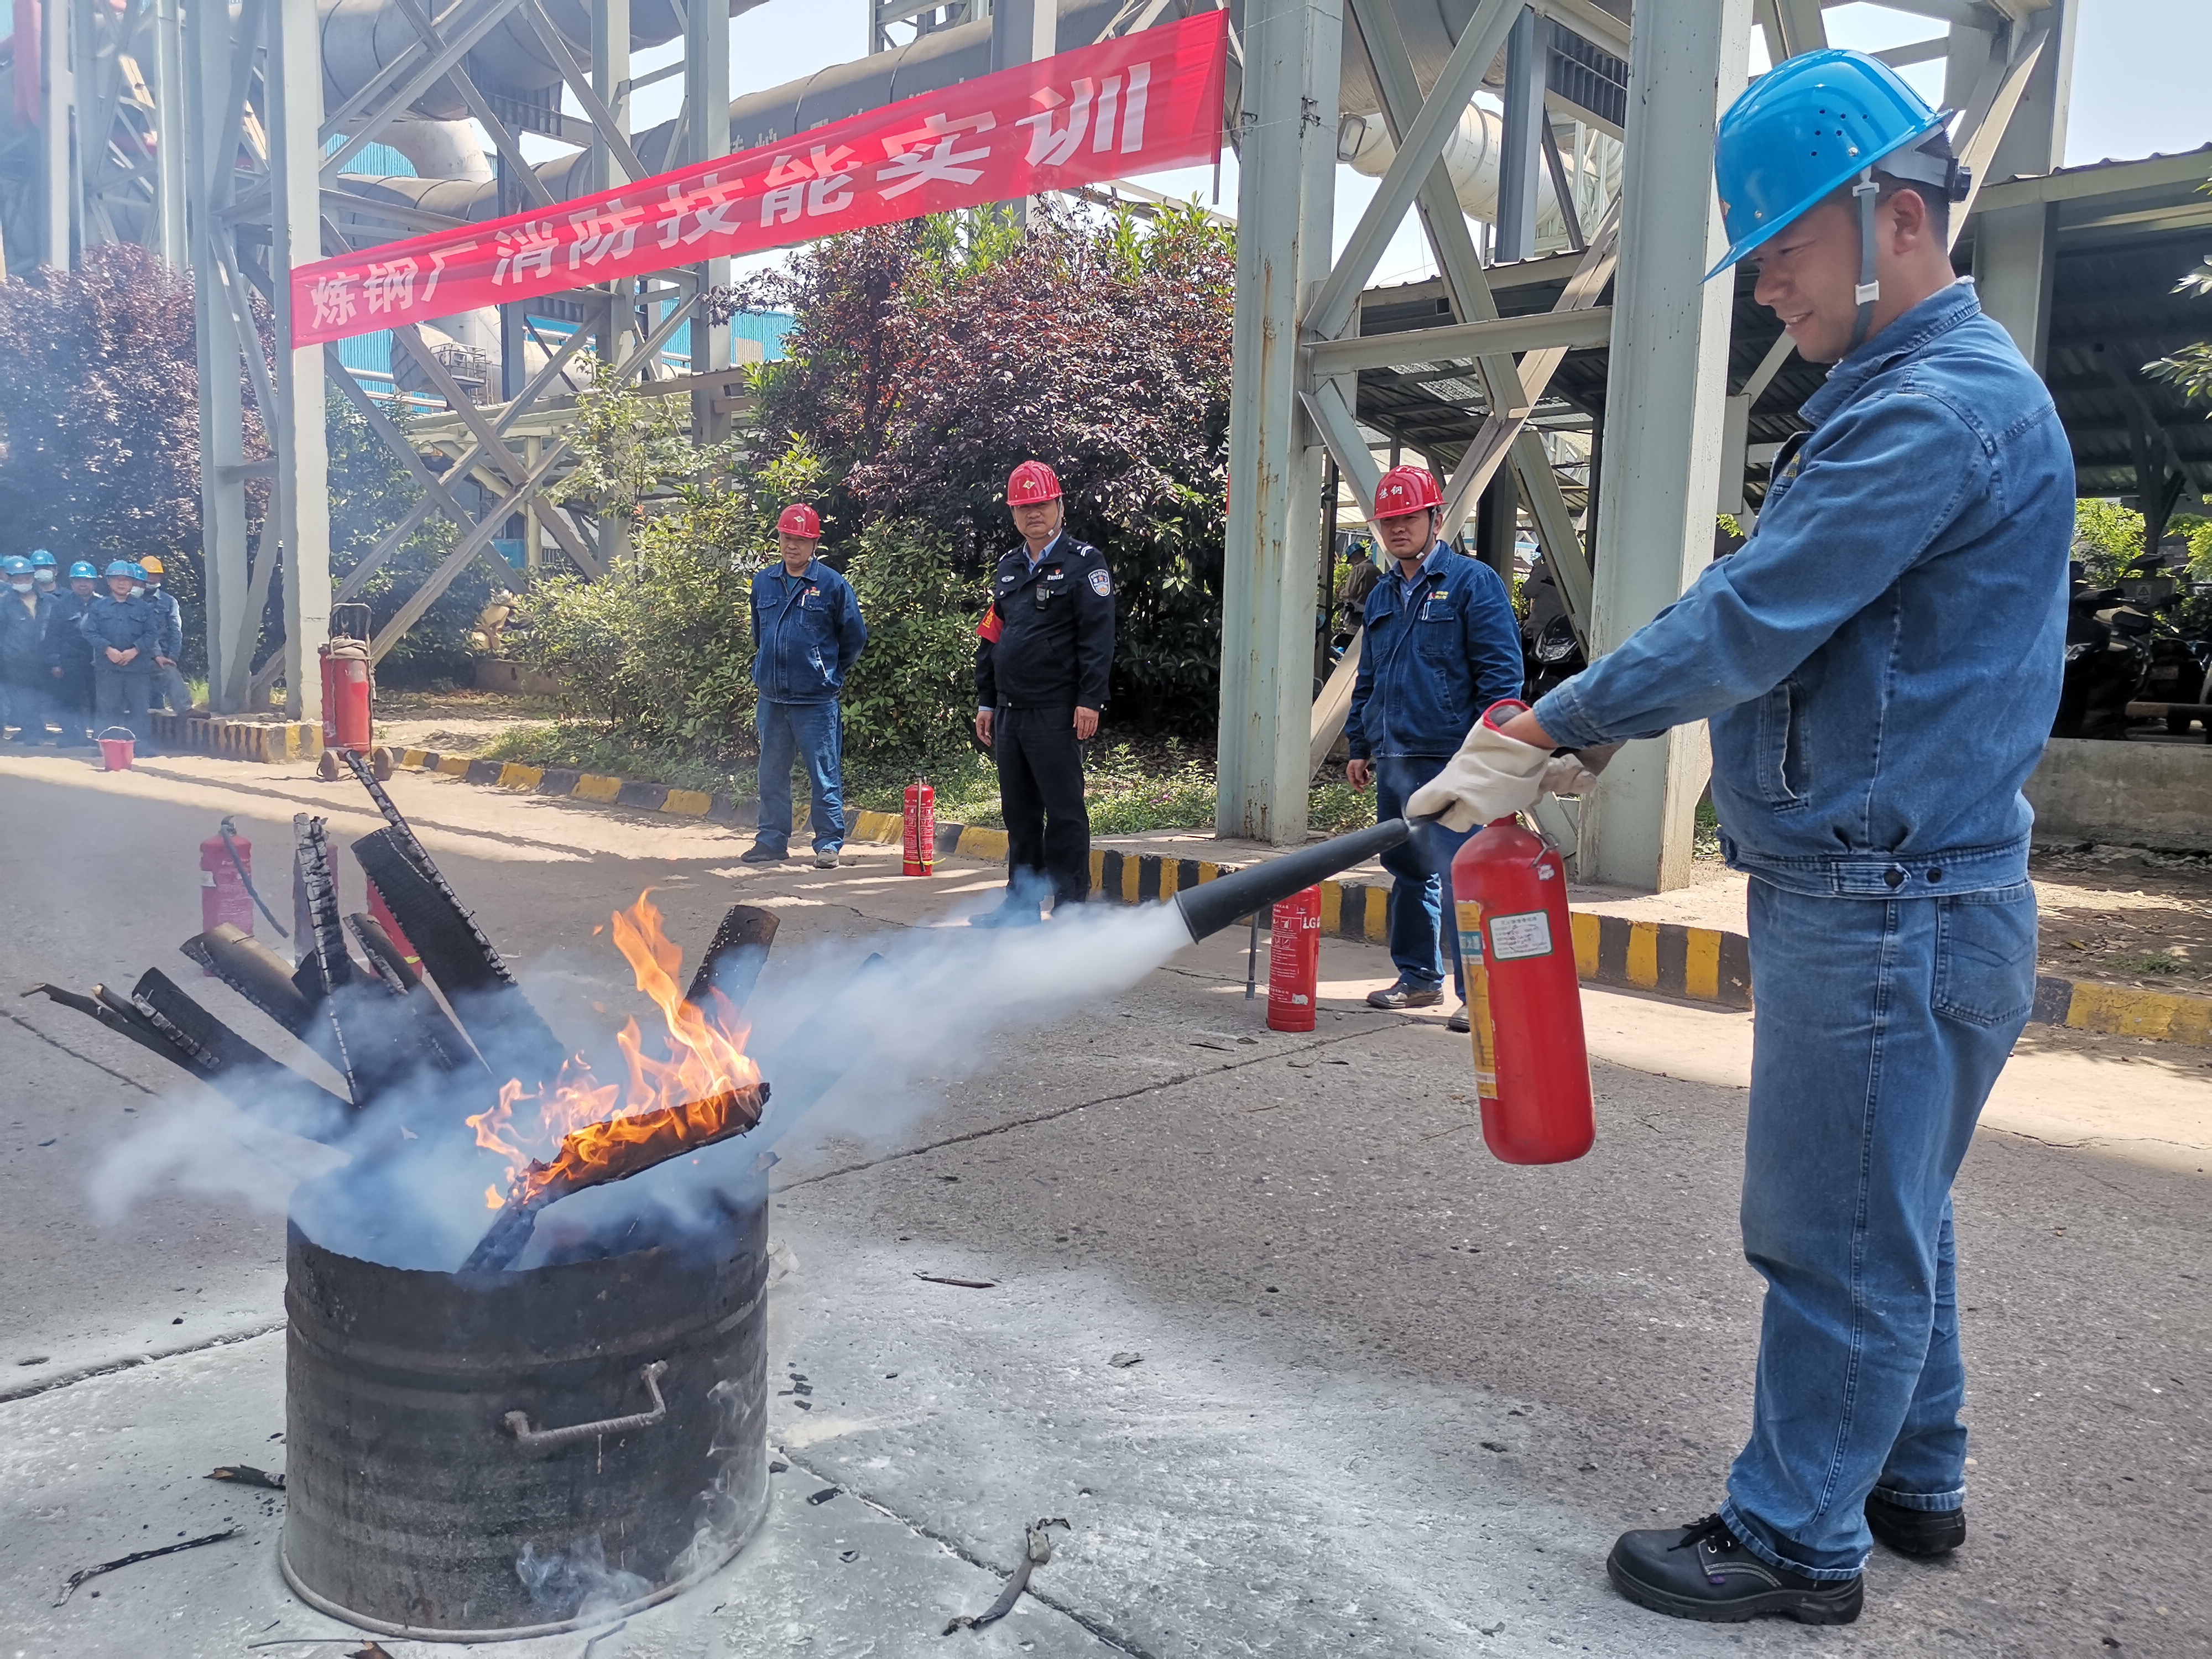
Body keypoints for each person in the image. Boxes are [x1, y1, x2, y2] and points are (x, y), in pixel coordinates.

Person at [1408, 50, 2069, 1628]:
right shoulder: (1920, 399)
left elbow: (1755, 615)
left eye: (1778, 246)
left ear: (1888, 217)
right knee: (1893, 1205)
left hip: (1889, 899)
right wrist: (1581, 728)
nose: (1765, 284)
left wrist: (1553, 724)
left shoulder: (1934, 413)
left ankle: (1793, 1539)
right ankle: (1913, 1475)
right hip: (1918, 890)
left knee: (1834, 1232)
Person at [1343, 465, 1524, 1031]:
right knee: (1408, 870)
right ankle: (1418, 979)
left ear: (1434, 518)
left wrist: (1487, 754)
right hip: (1396, 757)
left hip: (1454, 758)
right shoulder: (1381, 596)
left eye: (1407, 517)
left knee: (1464, 876)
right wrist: (1358, 743)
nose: (1397, 529)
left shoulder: (1472, 583)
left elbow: (1501, 676)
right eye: (1388, 520)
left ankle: (1482, 995)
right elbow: (1367, 678)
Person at [971, 460, 1115, 927]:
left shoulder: (1084, 563)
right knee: (1020, 813)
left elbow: (1098, 636)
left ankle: (1071, 906)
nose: (1034, 513)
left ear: (1059, 505)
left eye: (1041, 504)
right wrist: (987, 700)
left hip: (1057, 710)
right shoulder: (1009, 567)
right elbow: (992, 637)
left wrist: (1090, 698)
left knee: (1065, 811)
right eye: (1024, 506)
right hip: (1011, 711)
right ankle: (1020, 905)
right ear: (1014, 514)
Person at [741, 504, 868, 870]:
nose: (792, 545)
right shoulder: (763, 582)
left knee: (823, 773)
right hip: (772, 699)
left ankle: (828, 844)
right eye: (786, 537)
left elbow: (854, 637)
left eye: (801, 539)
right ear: (779, 539)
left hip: (815, 700)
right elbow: (759, 634)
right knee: (771, 773)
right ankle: (771, 842)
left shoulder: (831, 584)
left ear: (814, 542)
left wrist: (827, 672)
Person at [81, 560, 165, 752]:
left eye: (126, 579)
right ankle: (105, 746)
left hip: (137, 669)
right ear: (109, 582)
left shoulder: (144, 608)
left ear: (133, 582)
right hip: (108, 668)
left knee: (139, 709)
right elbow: (90, 632)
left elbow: (152, 633)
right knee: (107, 709)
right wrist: (108, 650)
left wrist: (135, 650)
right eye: (117, 579)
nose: (122, 583)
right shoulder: (98, 607)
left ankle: (140, 746)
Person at [0, 556, 55, 742]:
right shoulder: (4, 604)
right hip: (14, 661)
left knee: (41, 697)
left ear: (33, 577)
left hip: (44, 659)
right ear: (10, 579)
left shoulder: (48, 602)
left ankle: (37, 728)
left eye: (26, 578)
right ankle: (32, 731)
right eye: (17, 579)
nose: (22, 582)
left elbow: (57, 631)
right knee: (21, 698)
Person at [45, 561, 100, 748]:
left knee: (99, 700)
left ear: (94, 583)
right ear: (71, 582)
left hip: (98, 662)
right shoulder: (61, 606)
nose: (82, 584)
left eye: (86, 580)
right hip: (70, 662)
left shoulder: (104, 605)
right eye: (78, 580)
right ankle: (72, 735)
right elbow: (53, 636)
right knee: (69, 700)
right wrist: (55, 663)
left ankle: (99, 736)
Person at [140, 555, 190, 713]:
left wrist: (172, 658)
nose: (152, 578)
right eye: (149, 574)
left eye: (156, 575)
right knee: (140, 701)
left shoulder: (169, 602)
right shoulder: (131, 599)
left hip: (162, 657)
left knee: (158, 701)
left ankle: (183, 710)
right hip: (136, 655)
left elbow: (176, 630)